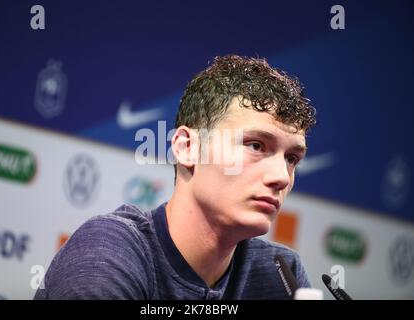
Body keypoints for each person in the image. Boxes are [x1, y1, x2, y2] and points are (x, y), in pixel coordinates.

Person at [34, 55, 316, 299]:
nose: (281, 176)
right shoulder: (107, 250)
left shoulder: (282, 275)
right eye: (255, 146)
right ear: (187, 148)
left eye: (291, 158)